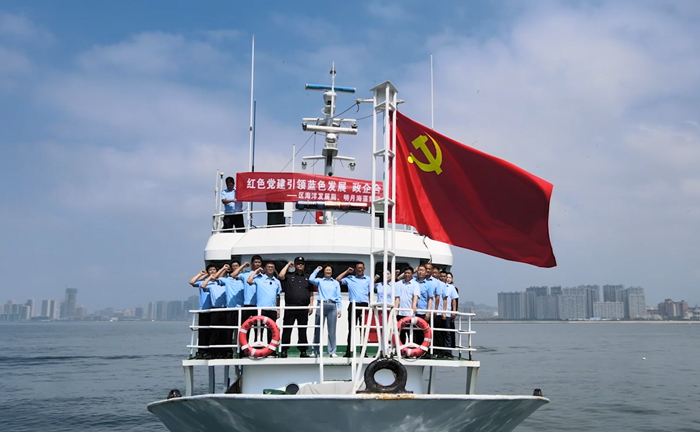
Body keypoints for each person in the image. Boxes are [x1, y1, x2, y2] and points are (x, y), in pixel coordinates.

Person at [278, 257, 314, 358]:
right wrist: (287, 265)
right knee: (287, 329)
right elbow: (281, 276)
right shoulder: (289, 276)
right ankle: (284, 349)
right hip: (290, 307)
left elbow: (311, 293)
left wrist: (311, 305)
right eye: (298, 263)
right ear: (295, 265)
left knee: (302, 330)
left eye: (302, 263)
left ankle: (303, 351)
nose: (300, 265)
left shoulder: (308, 277)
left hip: (303, 307)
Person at [336, 262, 371, 357]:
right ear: (355, 269)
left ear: (364, 269)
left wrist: (370, 306)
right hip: (353, 305)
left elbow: (369, 293)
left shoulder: (368, 279)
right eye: (358, 268)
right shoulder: (350, 278)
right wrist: (347, 271)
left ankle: (363, 351)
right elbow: (338, 279)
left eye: (361, 268)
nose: (359, 269)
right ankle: (348, 351)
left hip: (364, 305)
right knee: (351, 329)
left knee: (363, 330)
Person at [309, 264, 342, 357]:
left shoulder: (335, 283)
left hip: (332, 306)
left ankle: (332, 351)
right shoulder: (320, 281)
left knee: (332, 330)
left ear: (332, 272)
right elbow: (311, 279)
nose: (328, 271)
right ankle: (315, 351)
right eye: (326, 270)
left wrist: (339, 308)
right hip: (321, 305)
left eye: (329, 270)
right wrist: (316, 270)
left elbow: (339, 296)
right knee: (318, 328)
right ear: (324, 271)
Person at [247, 262, 282, 345]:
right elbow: (249, 281)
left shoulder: (277, 281)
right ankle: (258, 346)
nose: (270, 268)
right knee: (259, 329)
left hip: (272, 309)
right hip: (261, 309)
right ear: (265, 268)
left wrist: (278, 309)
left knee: (271, 330)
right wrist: (256, 271)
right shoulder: (259, 279)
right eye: (268, 267)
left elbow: (278, 296)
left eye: (272, 267)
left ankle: (271, 348)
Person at [216, 261, 245, 357]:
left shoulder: (244, 279)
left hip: (242, 308)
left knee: (242, 330)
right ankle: (228, 351)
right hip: (230, 308)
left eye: (237, 266)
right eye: (234, 266)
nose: (236, 267)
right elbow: (217, 278)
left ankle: (242, 350)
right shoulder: (227, 279)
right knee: (229, 331)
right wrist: (224, 269)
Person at [188, 264, 217, 359]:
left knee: (213, 332)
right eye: (210, 270)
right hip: (204, 309)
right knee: (203, 331)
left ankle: (212, 351)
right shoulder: (202, 282)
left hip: (214, 309)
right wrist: (200, 274)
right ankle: (202, 351)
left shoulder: (218, 282)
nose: (212, 271)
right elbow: (191, 282)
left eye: (214, 269)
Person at [230, 255, 263, 325]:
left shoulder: (263, 277)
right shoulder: (245, 274)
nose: (257, 264)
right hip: (248, 303)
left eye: (259, 262)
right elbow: (233, 275)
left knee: (259, 327)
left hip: (259, 304)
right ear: (252, 263)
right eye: (255, 262)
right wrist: (243, 265)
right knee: (245, 326)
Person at [395, 267, 419, 344]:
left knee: (410, 331)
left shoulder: (415, 284)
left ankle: (411, 347)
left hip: (410, 312)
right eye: (405, 273)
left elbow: (415, 296)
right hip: (400, 312)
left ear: (412, 274)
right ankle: (401, 347)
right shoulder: (399, 283)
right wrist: (396, 309)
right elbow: (397, 297)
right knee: (401, 331)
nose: (407, 274)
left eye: (409, 273)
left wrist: (414, 305)